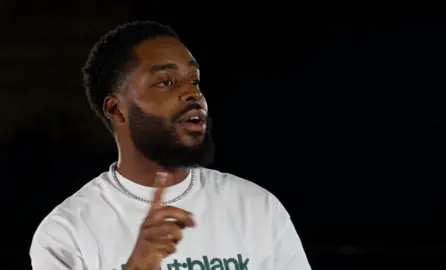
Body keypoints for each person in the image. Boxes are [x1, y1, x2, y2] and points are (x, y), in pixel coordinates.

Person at [29, 21, 312, 270]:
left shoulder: (257, 208)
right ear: (116, 110)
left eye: (194, 80)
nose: (193, 93)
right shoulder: (67, 233)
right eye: (166, 82)